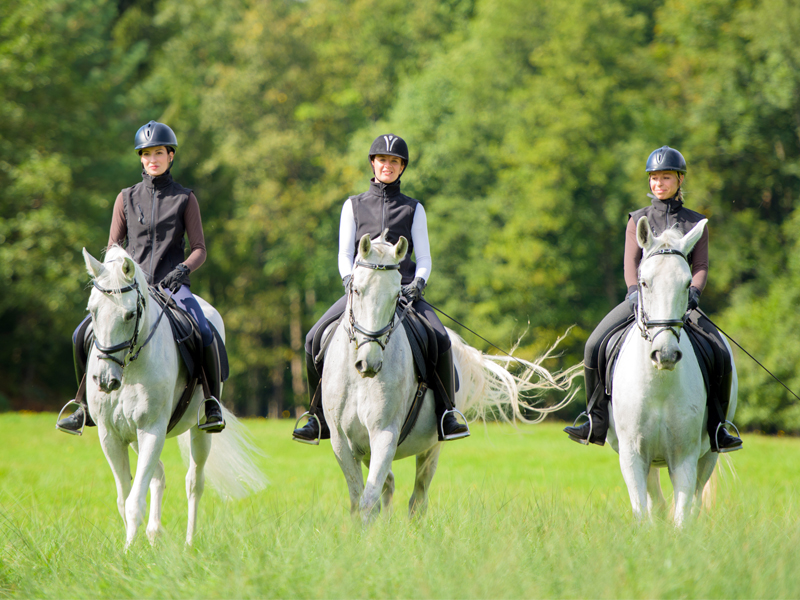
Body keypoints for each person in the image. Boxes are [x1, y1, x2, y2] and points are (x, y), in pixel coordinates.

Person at [563, 145, 743, 452]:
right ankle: (595, 420)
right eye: (654, 178)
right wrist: (633, 293)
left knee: (720, 352)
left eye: (665, 178)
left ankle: (717, 427)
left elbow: (700, 266)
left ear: (679, 180)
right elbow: (629, 263)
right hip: (642, 302)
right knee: (594, 344)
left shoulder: (695, 222)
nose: (658, 184)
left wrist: (694, 294)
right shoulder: (638, 219)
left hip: (680, 304)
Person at [292, 134, 469, 443]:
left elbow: (424, 257)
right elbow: (344, 254)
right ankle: (317, 416)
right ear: (373, 163)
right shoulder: (353, 205)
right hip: (361, 293)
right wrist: (349, 280)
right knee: (312, 339)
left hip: (402, 293)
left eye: (395, 162)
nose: (388, 166)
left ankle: (446, 414)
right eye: (383, 160)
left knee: (441, 339)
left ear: (402, 168)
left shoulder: (414, 209)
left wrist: (418, 284)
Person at [56, 120, 226, 434]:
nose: (152, 159)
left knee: (203, 330)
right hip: (131, 288)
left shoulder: (185, 199)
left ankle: (210, 403)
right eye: (146, 154)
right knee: (81, 334)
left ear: (171, 155)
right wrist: (118, 275)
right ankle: (82, 404)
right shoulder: (125, 198)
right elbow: (112, 247)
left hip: (172, 286)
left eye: (159, 152)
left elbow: (200, 248)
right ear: (140, 158)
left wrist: (183, 269)